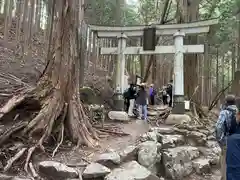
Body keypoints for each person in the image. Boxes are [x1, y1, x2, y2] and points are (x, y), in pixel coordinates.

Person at [215, 95, 237, 180]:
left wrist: (221, 141)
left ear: (226, 102)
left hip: (228, 141)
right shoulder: (238, 112)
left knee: (225, 164)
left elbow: (218, 127)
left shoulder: (224, 112)